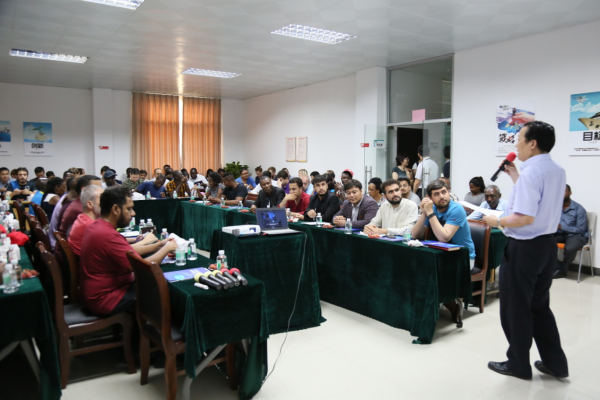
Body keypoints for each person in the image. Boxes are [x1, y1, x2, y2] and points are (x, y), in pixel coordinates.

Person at [482, 121, 569, 380]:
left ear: (532, 143)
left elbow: (524, 217)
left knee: (515, 308)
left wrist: (497, 221)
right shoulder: (556, 170)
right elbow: (537, 203)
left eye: (519, 138)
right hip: (546, 247)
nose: (515, 143)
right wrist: (514, 176)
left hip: (524, 249)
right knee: (539, 307)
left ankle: (518, 364)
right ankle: (556, 364)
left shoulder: (532, 173)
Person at [79, 187, 177, 315]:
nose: (133, 213)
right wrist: (167, 248)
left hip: (99, 292)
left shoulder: (97, 226)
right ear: (115, 209)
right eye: (129, 209)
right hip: (105, 298)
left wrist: (158, 246)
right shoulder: (107, 235)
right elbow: (142, 267)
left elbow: (128, 252)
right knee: (167, 294)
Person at [411, 180, 476, 271]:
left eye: (444, 192)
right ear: (430, 198)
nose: (442, 196)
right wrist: (424, 213)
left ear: (448, 192)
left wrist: (430, 212)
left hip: (462, 257)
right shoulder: (432, 208)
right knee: (413, 265)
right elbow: (415, 235)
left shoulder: (457, 209)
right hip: (441, 254)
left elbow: (444, 238)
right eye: (436, 194)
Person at [553, 184, 588, 279]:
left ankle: (563, 270)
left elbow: (581, 229)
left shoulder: (579, 209)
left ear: (570, 193)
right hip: (559, 234)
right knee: (544, 242)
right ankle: (559, 267)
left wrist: (561, 227)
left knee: (570, 248)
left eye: (563, 191)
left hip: (576, 235)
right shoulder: (555, 207)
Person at [68, 185, 104, 257]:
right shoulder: (92, 226)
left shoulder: (82, 218)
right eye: (103, 200)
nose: (107, 203)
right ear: (90, 204)